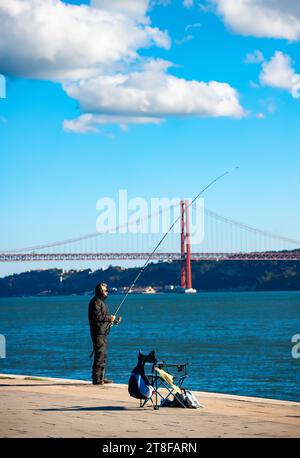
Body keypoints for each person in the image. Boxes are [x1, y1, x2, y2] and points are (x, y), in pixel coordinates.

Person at [88, 282, 120, 385]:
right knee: (99, 355)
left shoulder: (102, 303)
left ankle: (102, 377)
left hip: (103, 332)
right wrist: (109, 318)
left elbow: (104, 318)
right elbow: (97, 317)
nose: (107, 292)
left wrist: (114, 321)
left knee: (103, 355)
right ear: (100, 291)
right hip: (98, 333)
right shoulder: (95, 302)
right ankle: (96, 379)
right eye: (105, 290)